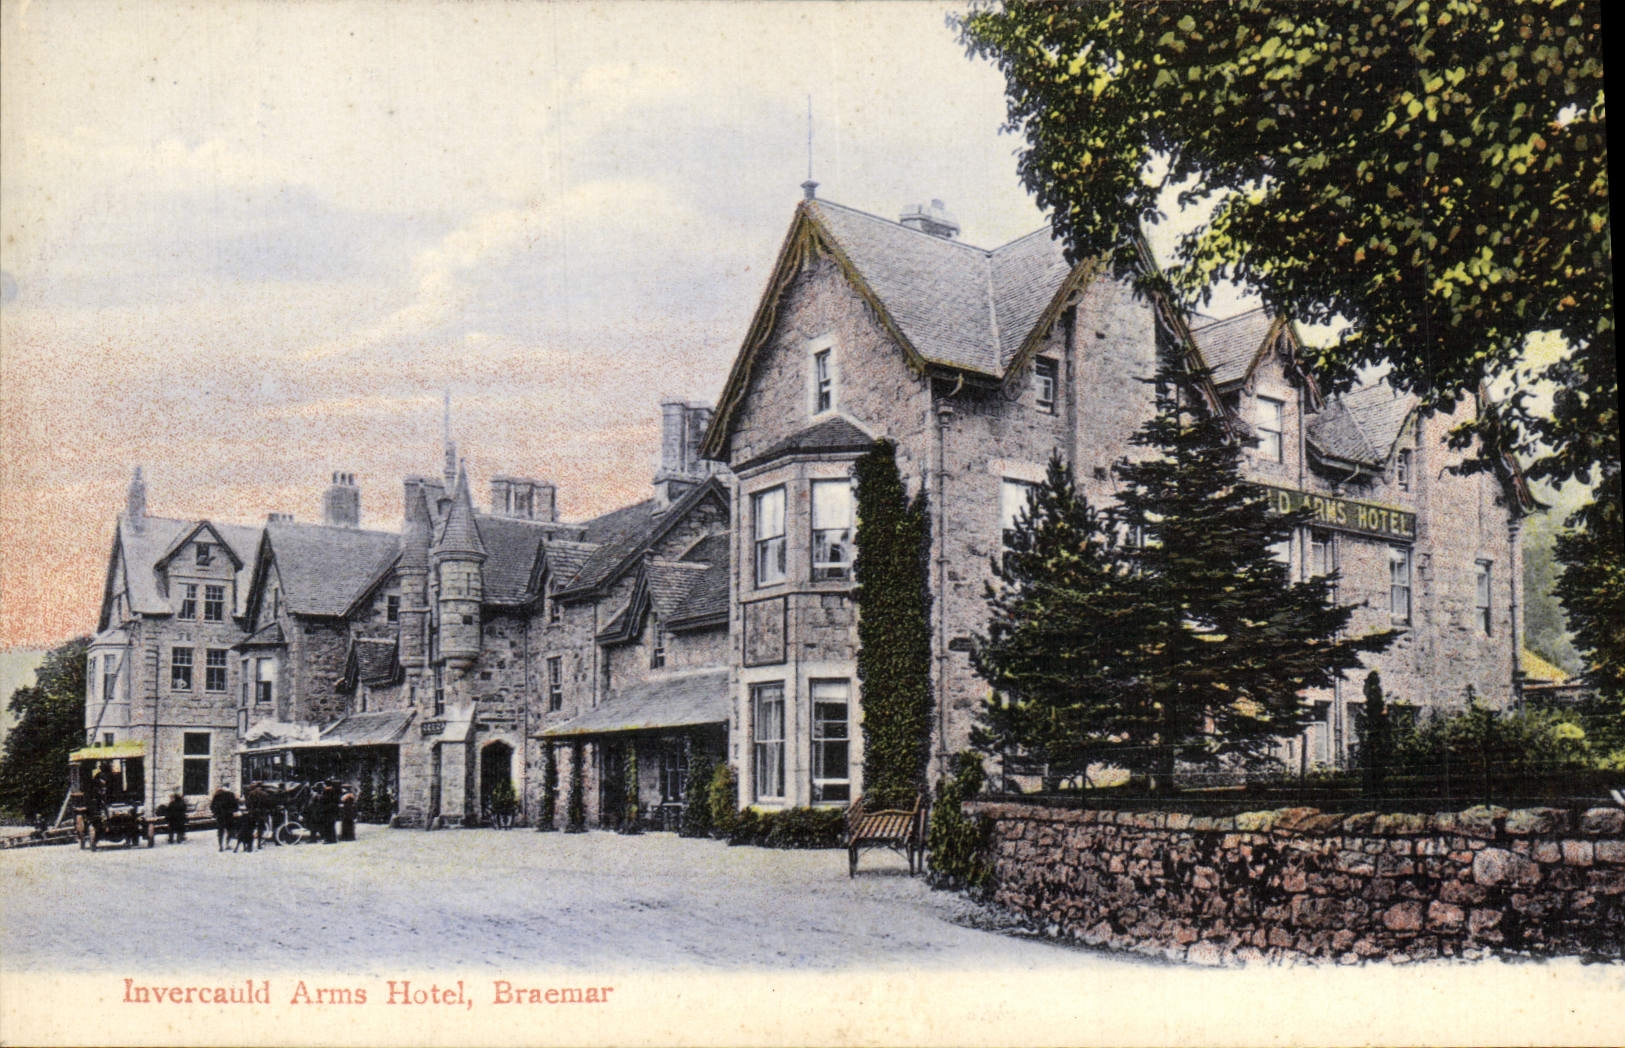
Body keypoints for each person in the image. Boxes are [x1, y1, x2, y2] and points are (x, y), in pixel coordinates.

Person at [210, 787, 240, 852]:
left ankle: (220, 846)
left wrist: (216, 813)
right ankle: (227, 844)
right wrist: (231, 811)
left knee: (220, 831)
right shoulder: (231, 795)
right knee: (230, 830)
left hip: (220, 816)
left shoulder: (217, 796)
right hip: (229, 816)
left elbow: (212, 806)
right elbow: (236, 807)